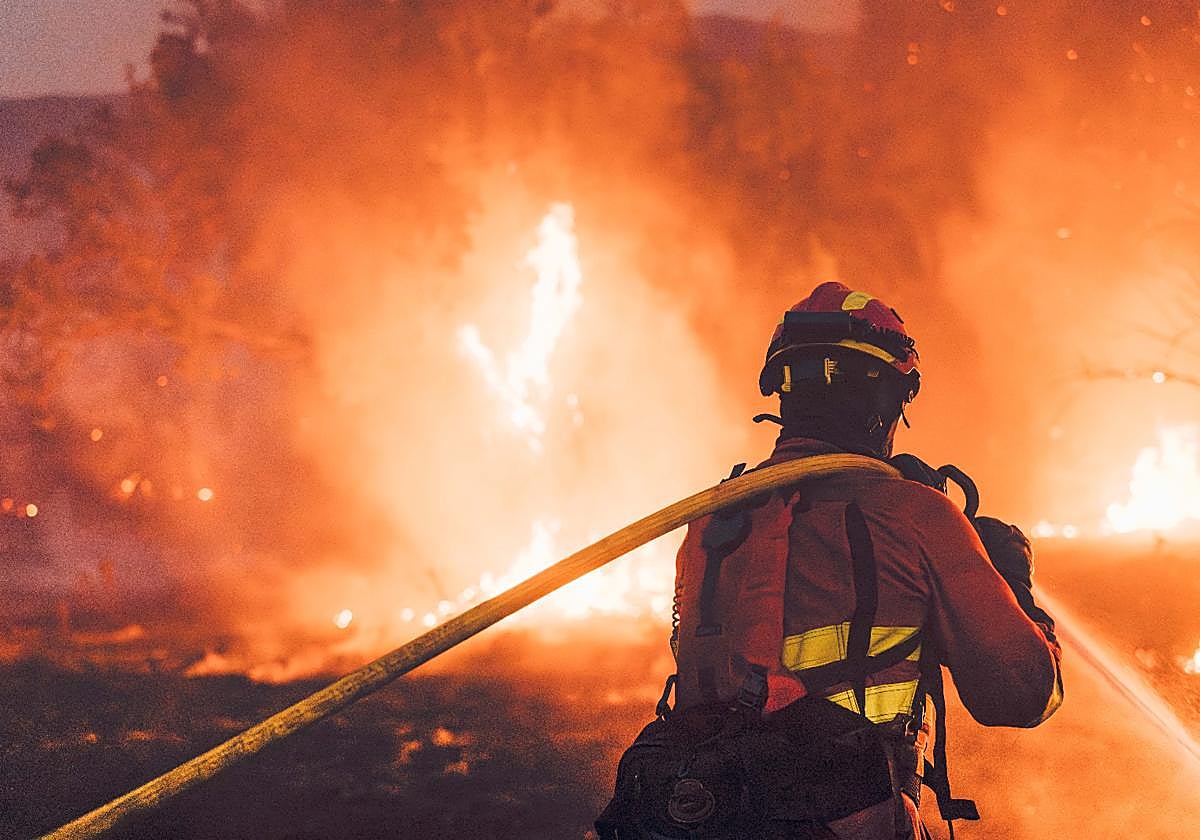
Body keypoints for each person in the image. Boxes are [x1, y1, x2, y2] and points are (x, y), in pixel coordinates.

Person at [597, 281, 1063, 840]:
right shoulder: (915, 514)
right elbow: (1021, 695)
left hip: (702, 811)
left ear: (782, 391)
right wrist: (1013, 582)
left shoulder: (716, 520)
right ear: (891, 396)